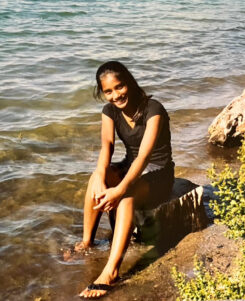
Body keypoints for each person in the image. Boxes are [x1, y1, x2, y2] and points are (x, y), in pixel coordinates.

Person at [77, 61, 174, 299]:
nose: (115, 95)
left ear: (129, 83)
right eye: (108, 91)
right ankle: (86, 242)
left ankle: (111, 272)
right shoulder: (109, 112)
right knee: (96, 177)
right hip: (131, 166)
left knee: (127, 196)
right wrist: (101, 177)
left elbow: (145, 155)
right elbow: (107, 145)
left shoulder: (154, 108)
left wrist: (119, 190)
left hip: (159, 172)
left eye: (119, 87)